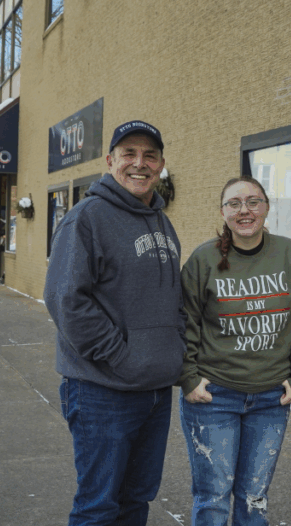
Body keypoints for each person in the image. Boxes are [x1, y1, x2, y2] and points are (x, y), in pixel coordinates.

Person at [43, 120, 184, 525]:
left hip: (155, 391)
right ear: (110, 161)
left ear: (160, 164)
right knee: (98, 507)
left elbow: (172, 297)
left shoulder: (161, 220)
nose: (140, 163)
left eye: (150, 155)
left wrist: (174, 351)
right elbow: (66, 299)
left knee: (136, 500)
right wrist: (122, 357)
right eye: (129, 154)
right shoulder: (85, 219)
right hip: (102, 391)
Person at [178, 175, 291, 525]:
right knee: (213, 498)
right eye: (234, 203)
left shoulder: (290, 255)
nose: (245, 210)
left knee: (254, 497)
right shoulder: (203, 260)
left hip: (270, 398)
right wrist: (188, 377)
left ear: (266, 207)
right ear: (223, 211)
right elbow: (184, 322)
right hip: (214, 396)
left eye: (253, 201)